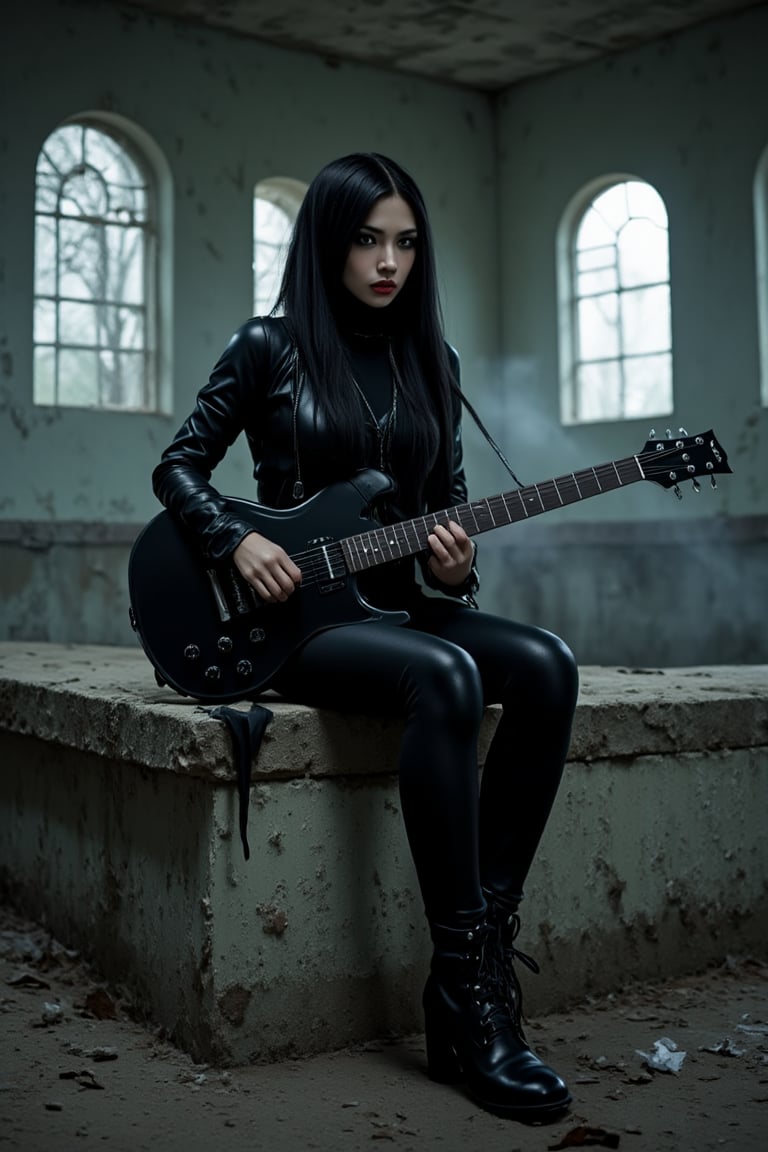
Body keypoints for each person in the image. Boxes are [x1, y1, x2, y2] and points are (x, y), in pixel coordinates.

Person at [152, 152, 579, 1122]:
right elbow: (177, 469)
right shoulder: (268, 347)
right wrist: (239, 535)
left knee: (548, 665)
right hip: (300, 619)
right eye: (366, 239)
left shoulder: (435, 359)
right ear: (328, 242)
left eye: (406, 242)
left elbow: (450, 513)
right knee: (448, 678)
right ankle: (473, 1000)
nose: (389, 261)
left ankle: (470, 972)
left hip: (405, 604)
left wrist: (457, 565)